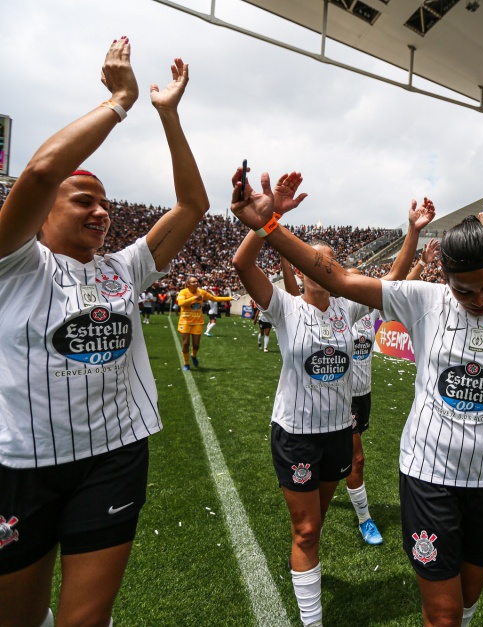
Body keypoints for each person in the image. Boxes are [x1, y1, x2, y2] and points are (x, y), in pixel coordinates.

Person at [229, 173, 483, 627]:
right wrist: (269, 225)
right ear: (445, 278)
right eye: (463, 290)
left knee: (467, 603)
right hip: (429, 475)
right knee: (443, 615)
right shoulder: (423, 300)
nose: (477, 299)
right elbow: (342, 278)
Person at [0, 40, 209, 627]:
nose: (101, 212)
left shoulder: (125, 268)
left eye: (106, 204)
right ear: (41, 212)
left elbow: (193, 203)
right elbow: (42, 170)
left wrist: (168, 116)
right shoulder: (13, 264)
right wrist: (120, 101)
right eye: (84, 200)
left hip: (113, 457)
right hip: (25, 463)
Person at [233, 171, 432, 626]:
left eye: (330, 263)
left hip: (339, 433)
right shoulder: (286, 308)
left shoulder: (349, 307)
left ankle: (301, 564)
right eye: (315, 262)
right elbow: (243, 267)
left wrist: (413, 232)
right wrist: (270, 217)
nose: (323, 268)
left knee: (315, 524)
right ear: (300, 269)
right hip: (296, 435)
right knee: (306, 529)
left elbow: (396, 277)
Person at [175, 276, 233, 370]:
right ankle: (186, 364)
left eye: (197, 281)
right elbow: (181, 303)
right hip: (185, 321)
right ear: (188, 284)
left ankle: (193, 356)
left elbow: (214, 298)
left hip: (198, 321)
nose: (196, 283)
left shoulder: (202, 292)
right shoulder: (183, 292)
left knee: (196, 345)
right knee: (186, 343)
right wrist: (194, 298)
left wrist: (230, 298)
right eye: (193, 282)